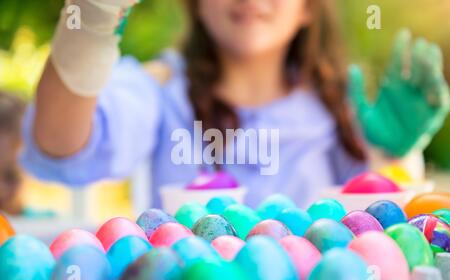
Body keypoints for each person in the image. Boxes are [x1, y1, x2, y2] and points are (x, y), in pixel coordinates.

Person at [21, 0, 450, 209]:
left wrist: (394, 154)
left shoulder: (341, 110)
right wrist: (91, 18)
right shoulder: (160, 90)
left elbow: (383, 229)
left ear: (308, 9)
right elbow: (59, 141)